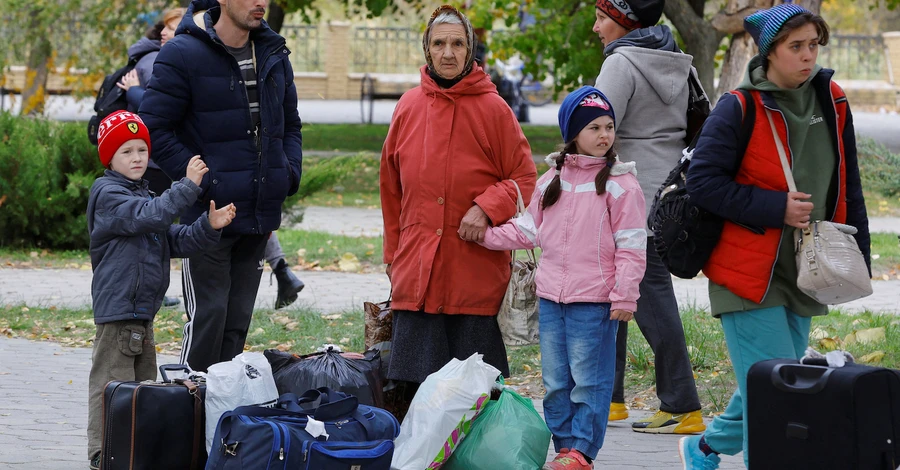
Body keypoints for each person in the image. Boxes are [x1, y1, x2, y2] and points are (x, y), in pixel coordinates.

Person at [680, 5, 870, 468]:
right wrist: (774, 207)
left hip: (805, 269)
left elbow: (849, 179)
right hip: (746, 274)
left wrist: (860, 250)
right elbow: (702, 183)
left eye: (813, 45)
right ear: (769, 53)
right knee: (783, 396)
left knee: (771, 383)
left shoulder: (832, 98)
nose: (808, 56)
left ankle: (704, 447)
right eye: (795, 47)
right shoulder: (738, 107)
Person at [479, 86, 647, 470]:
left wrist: (625, 295)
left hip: (597, 301)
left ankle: (583, 450)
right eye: (594, 128)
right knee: (556, 381)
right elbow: (527, 231)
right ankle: (564, 448)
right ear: (573, 134)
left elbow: (632, 246)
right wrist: (484, 236)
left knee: (589, 380)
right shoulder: (549, 180)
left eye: (609, 127)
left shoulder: (621, 186)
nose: (604, 135)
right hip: (552, 298)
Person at [380, 4, 537, 410]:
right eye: (439, 43)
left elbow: (524, 179)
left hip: (474, 272)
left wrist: (487, 207)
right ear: (427, 50)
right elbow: (391, 189)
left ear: (469, 51)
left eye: (457, 43)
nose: (448, 52)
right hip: (418, 272)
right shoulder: (409, 105)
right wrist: (393, 256)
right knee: (417, 396)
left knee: (475, 397)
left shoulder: (494, 109)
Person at [139, 0, 303, 372]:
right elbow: (154, 128)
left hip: (259, 213)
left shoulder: (273, 52)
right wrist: (203, 181)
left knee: (235, 328)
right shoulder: (182, 53)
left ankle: (220, 425)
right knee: (207, 324)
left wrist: (287, 172)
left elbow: (291, 124)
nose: (261, 2)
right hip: (207, 219)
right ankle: (187, 418)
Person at [85, 110, 235, 469]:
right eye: (126, 152)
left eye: (141, 150)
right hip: (118, 311)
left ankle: (132, 451)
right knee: (111, 387)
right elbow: (150, 216)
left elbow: (175, 239)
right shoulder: (108, 195)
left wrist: (208, 226)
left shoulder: (143, 195)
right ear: (109, 158)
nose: (137, 158)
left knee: (140, 391)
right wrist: (187, 186)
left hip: (142, 312)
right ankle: (102, 454)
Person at [592, 0, 705, 433]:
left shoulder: (620, 64)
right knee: (614, 287)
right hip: (670, 192)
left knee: (648, 295)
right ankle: (611, 397)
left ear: (624, 22)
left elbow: (596, 129)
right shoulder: (678, 61)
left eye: (603, 18)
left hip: (630, 194)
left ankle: (682, 404)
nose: (597, 26)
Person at [117, 7, 186, 308]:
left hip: (163, 156)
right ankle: (150, 287)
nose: (162, 32)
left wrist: (134, 91)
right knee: (155, 225)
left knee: (158, 224)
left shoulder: (161, 60)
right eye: (164, 27)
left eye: (170, 27)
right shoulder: (157, 60)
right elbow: (154, 108)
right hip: (157, 157)